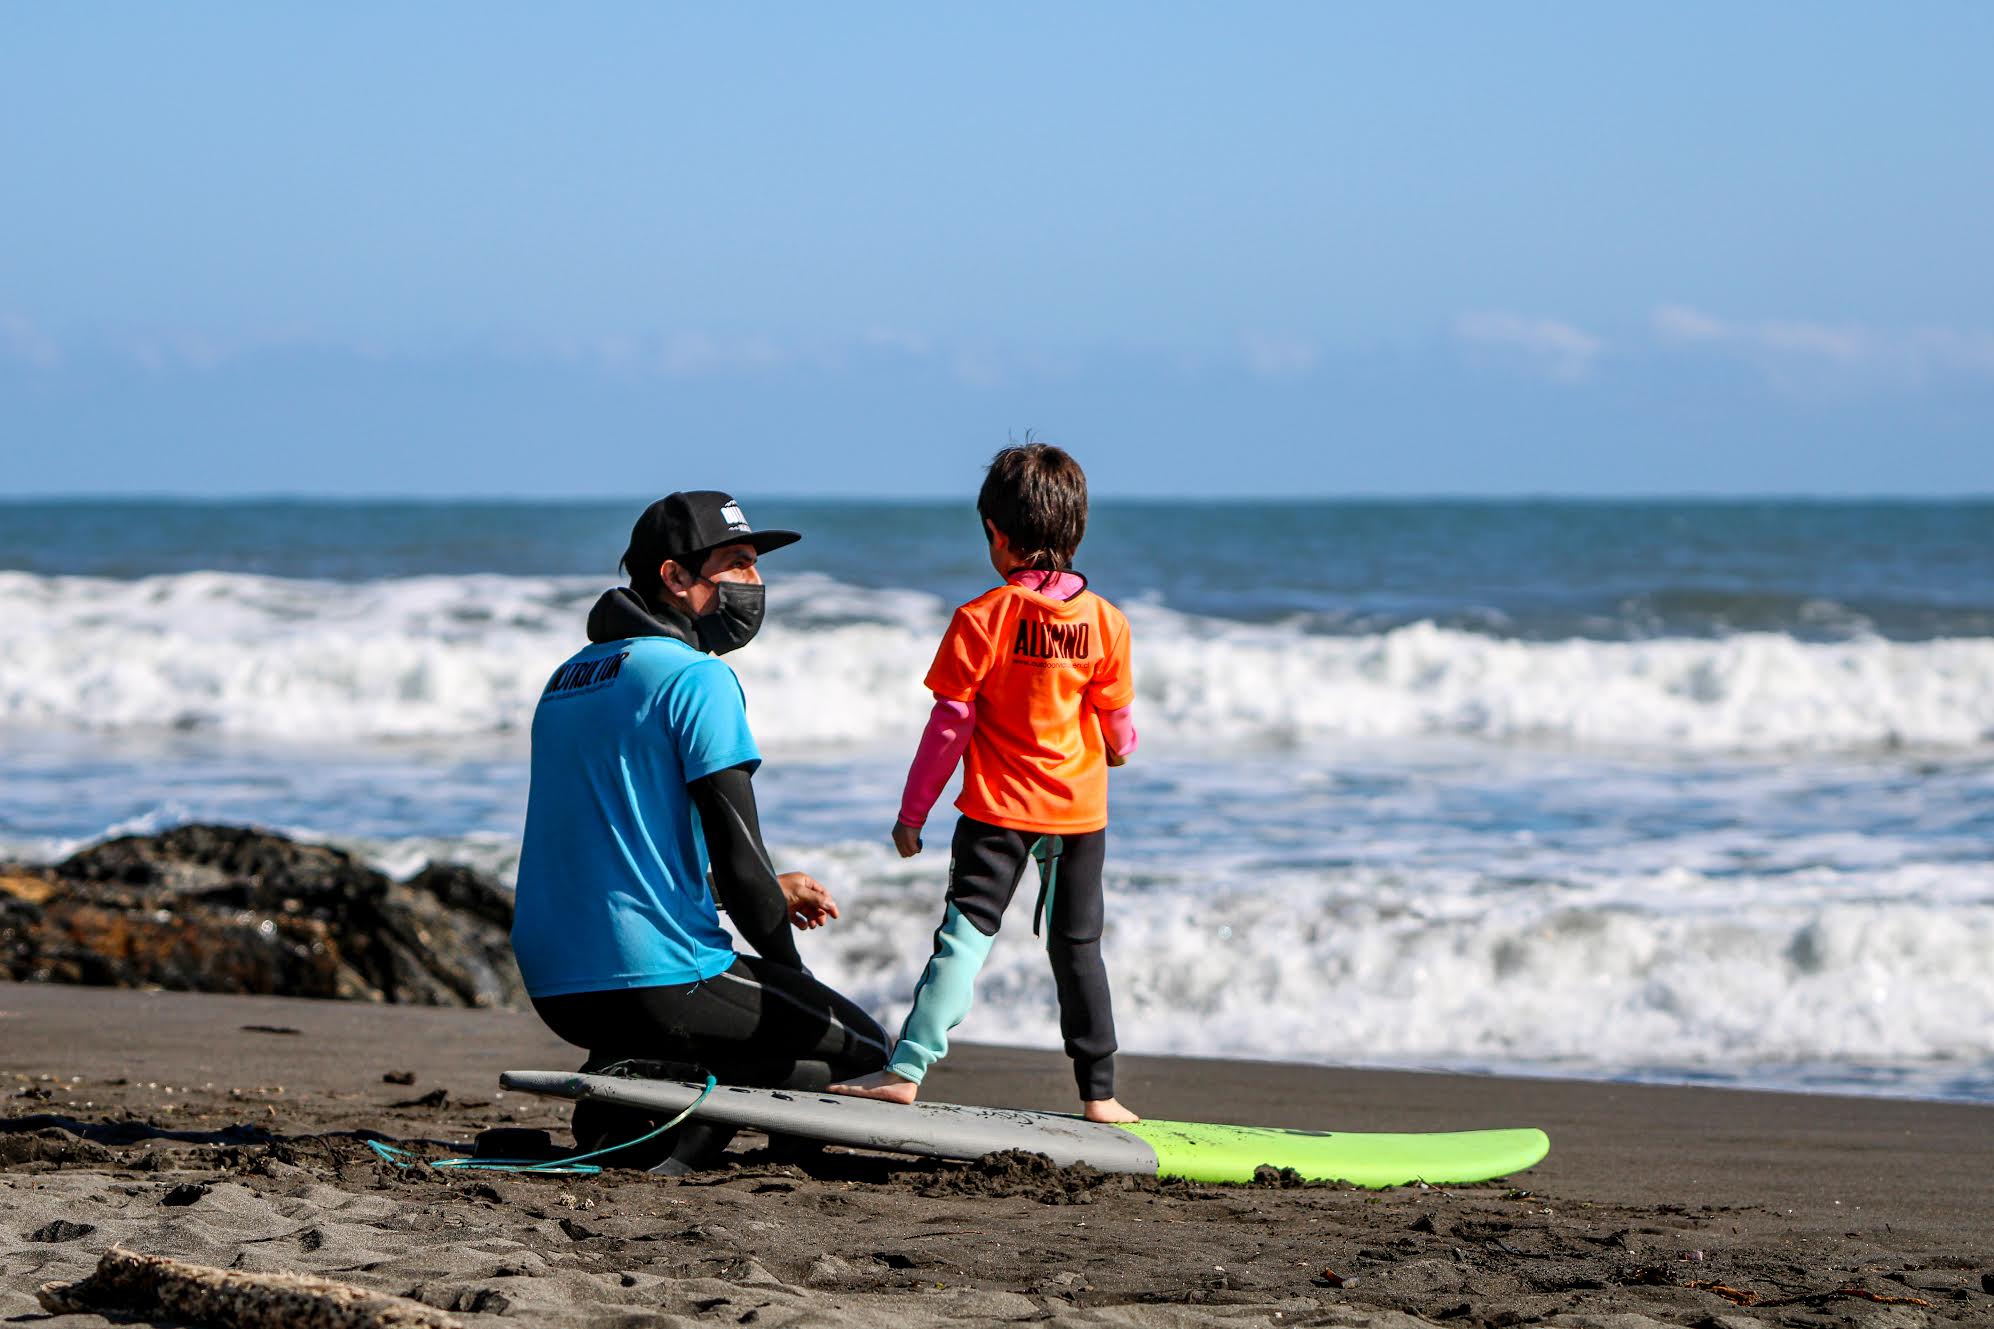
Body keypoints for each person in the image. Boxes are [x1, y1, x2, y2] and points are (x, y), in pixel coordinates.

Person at [512, 490, 890, 1172]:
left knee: (747, 1023)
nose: (755, 583)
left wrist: (748, 891)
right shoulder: (699, 679)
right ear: (675, 576)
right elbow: (744, 868)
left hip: (557, 986)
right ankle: (718, 1139)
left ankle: (634, 1101)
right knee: (862, 1045)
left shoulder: (568, 678)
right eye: (737, 564)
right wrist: (789, 982)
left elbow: (611, 856)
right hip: (655, 983)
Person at [831, 444, 1141, 1123]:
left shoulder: (983, 618)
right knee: (1078, 948)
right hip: (1079, 814)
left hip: (998, 811)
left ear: (998, 536)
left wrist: (913, 813)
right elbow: (1116, 719)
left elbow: (949, 725)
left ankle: (905, 1070)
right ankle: (1101, 1094)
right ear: (1075, 531)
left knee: (964, 940)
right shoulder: (1106, 623)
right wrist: (1119, 750)